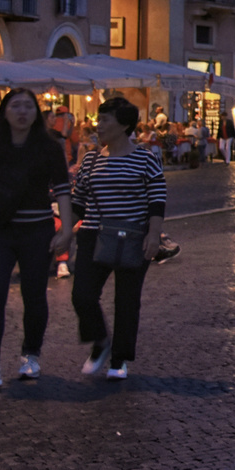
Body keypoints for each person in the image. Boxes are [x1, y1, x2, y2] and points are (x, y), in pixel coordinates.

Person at [0, 89, 73, 388]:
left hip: (36, 230)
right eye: (15, 106)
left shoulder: (49, 147)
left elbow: (62, 187)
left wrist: (65, 230)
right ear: (5, 112)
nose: (22, 111)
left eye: (28, 106)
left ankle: (31, 355)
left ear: (36, 113)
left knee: (34, 295)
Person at [64, 97, 166, 381]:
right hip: (93, 236)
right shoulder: (91, 159)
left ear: (123, 125)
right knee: (82, 295)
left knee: (127, 300)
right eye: (99, 119)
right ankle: (100, 340)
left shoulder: (145, 158)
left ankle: (119, 359)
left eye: (105, 120)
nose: (99, 126)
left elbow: (157, 198)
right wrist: (63, 234)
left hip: (133, 237)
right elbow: (78, 201)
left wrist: (154, 234)